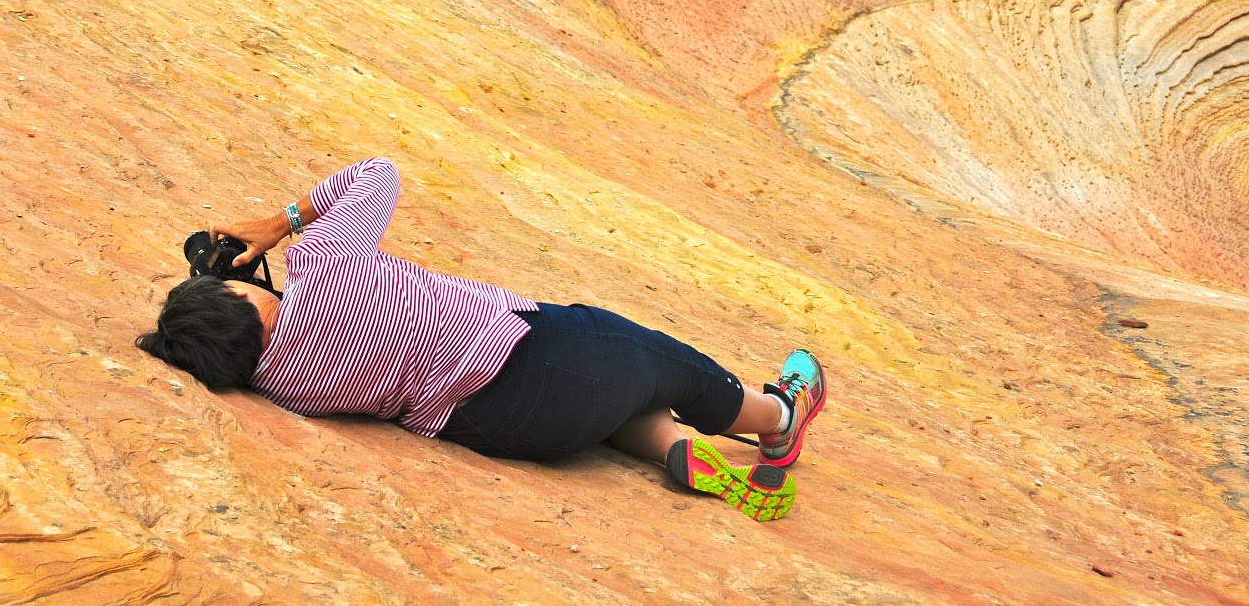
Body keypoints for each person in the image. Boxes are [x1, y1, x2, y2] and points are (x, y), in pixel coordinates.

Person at [136, 158, 826, 521]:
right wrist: (282, 220)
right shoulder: (322, 266)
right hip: (535, 353)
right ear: (234, 293)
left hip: (500, 425)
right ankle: (776, 419)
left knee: (609, 405)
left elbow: (259, 336)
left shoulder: (280, 383)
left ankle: (679, 449)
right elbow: (379, 172)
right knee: (661, 364)